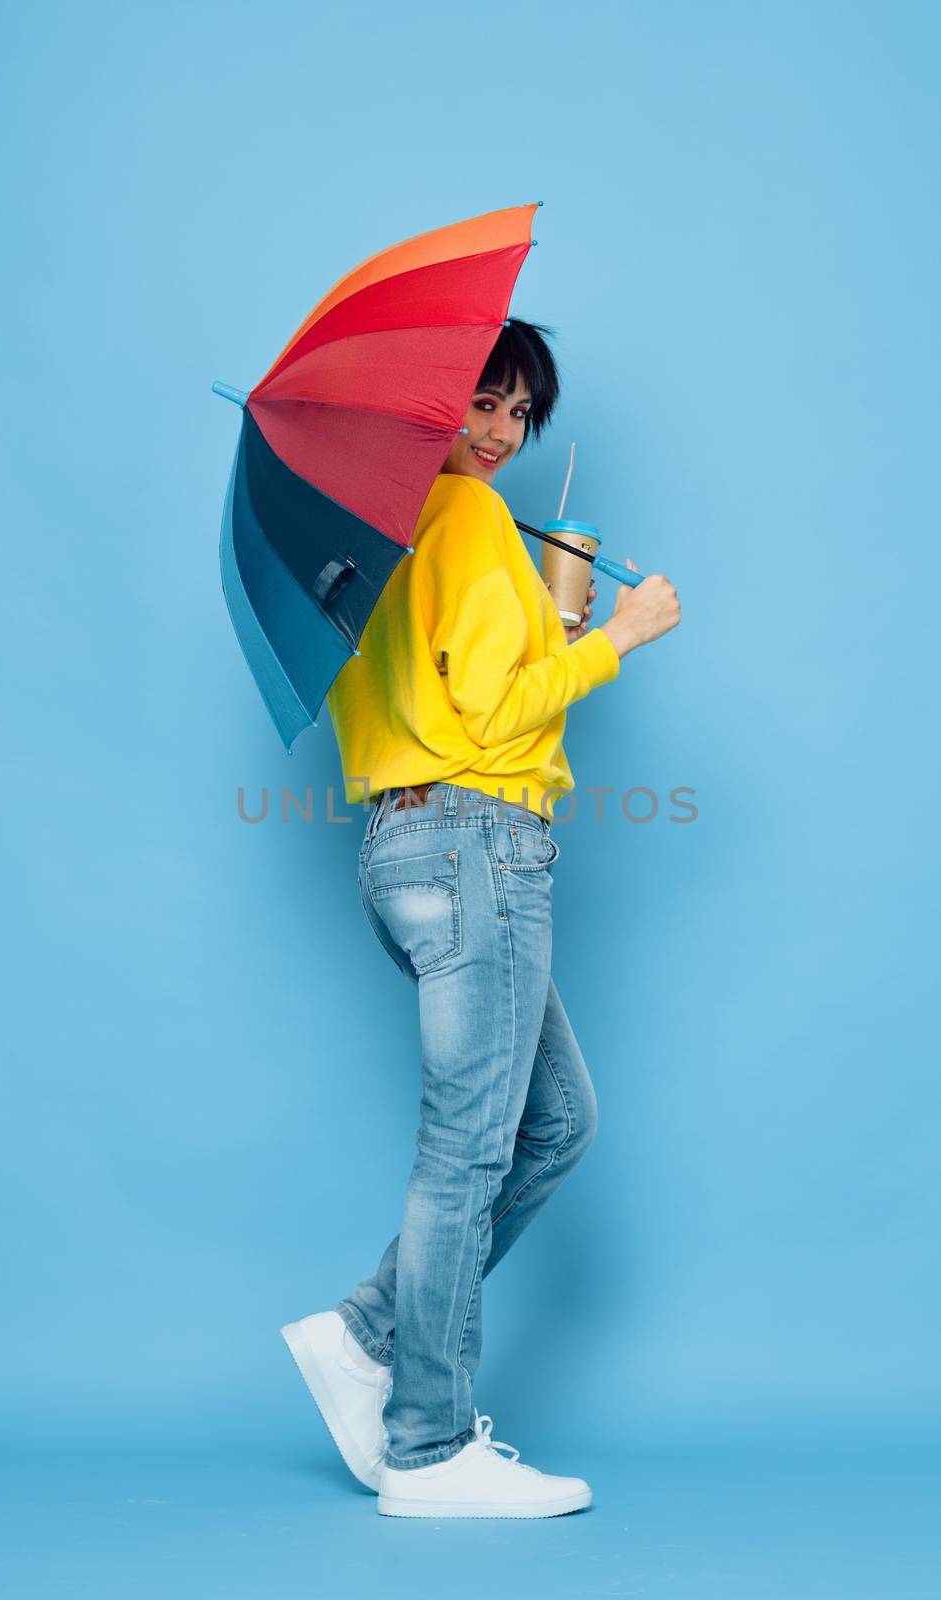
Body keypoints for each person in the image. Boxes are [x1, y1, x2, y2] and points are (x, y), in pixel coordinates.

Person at [281, 319, 681, 1518]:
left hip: (407, 842)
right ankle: (425, 1444)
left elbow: (456, 691)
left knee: (552, 1122)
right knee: (468, 1145)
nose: (499, 432)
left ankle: (361, 1334)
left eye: (517, 412)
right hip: (477, 844)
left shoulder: (380, 540)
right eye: (480, 402)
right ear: (428, 406)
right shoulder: (459, 520)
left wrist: (546, 629)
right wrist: (615, 637)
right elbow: (496, 721)